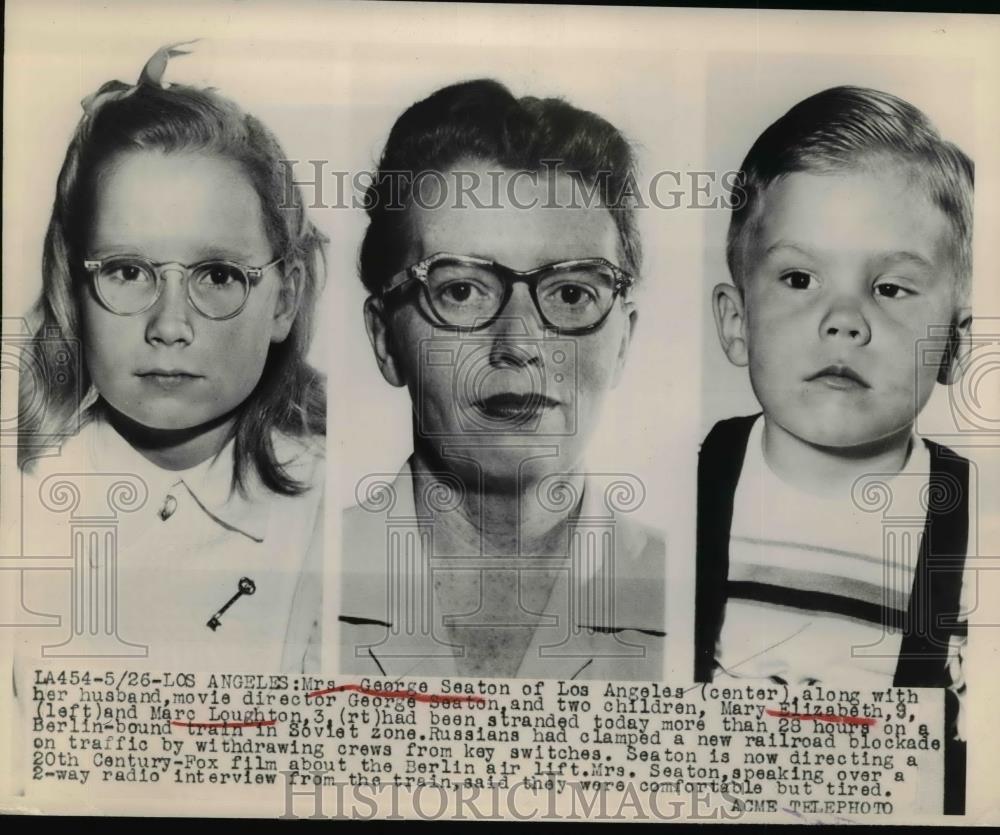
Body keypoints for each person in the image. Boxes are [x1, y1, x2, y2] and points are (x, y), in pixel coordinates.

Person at [697, 86, 972, 811]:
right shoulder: (673, 497)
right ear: (736, 321)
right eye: (799, 278)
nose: (845, 320)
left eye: (891, 287)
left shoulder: (982, 538)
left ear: (952, 344)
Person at [11, 43, 327, 673]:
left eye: (217, 274)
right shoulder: (22, 503)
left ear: (285, 299)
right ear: (72, 289)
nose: (170, 325)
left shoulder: (330, 512)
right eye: (128, 271)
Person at [340, 79, 665, 681]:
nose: (517, 346)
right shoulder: (294, 578)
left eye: (571, 292)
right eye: (460, 290)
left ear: (624, 340)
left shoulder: (695, 598)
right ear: (385, 339)